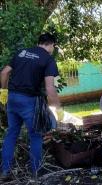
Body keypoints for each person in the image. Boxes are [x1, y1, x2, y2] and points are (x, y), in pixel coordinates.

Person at [0, 33, 64, 181]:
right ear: (51, 45)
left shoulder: (21, 53)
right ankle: (36, 173)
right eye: (53, 46)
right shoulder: (48, 59)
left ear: (39, 42)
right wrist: (58, 109)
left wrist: (3, 91)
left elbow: (4, 72)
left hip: (13, 98)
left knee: (11, 134)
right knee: (35, 136)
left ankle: (4, 171)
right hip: (28, 101)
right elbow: (50, 89)